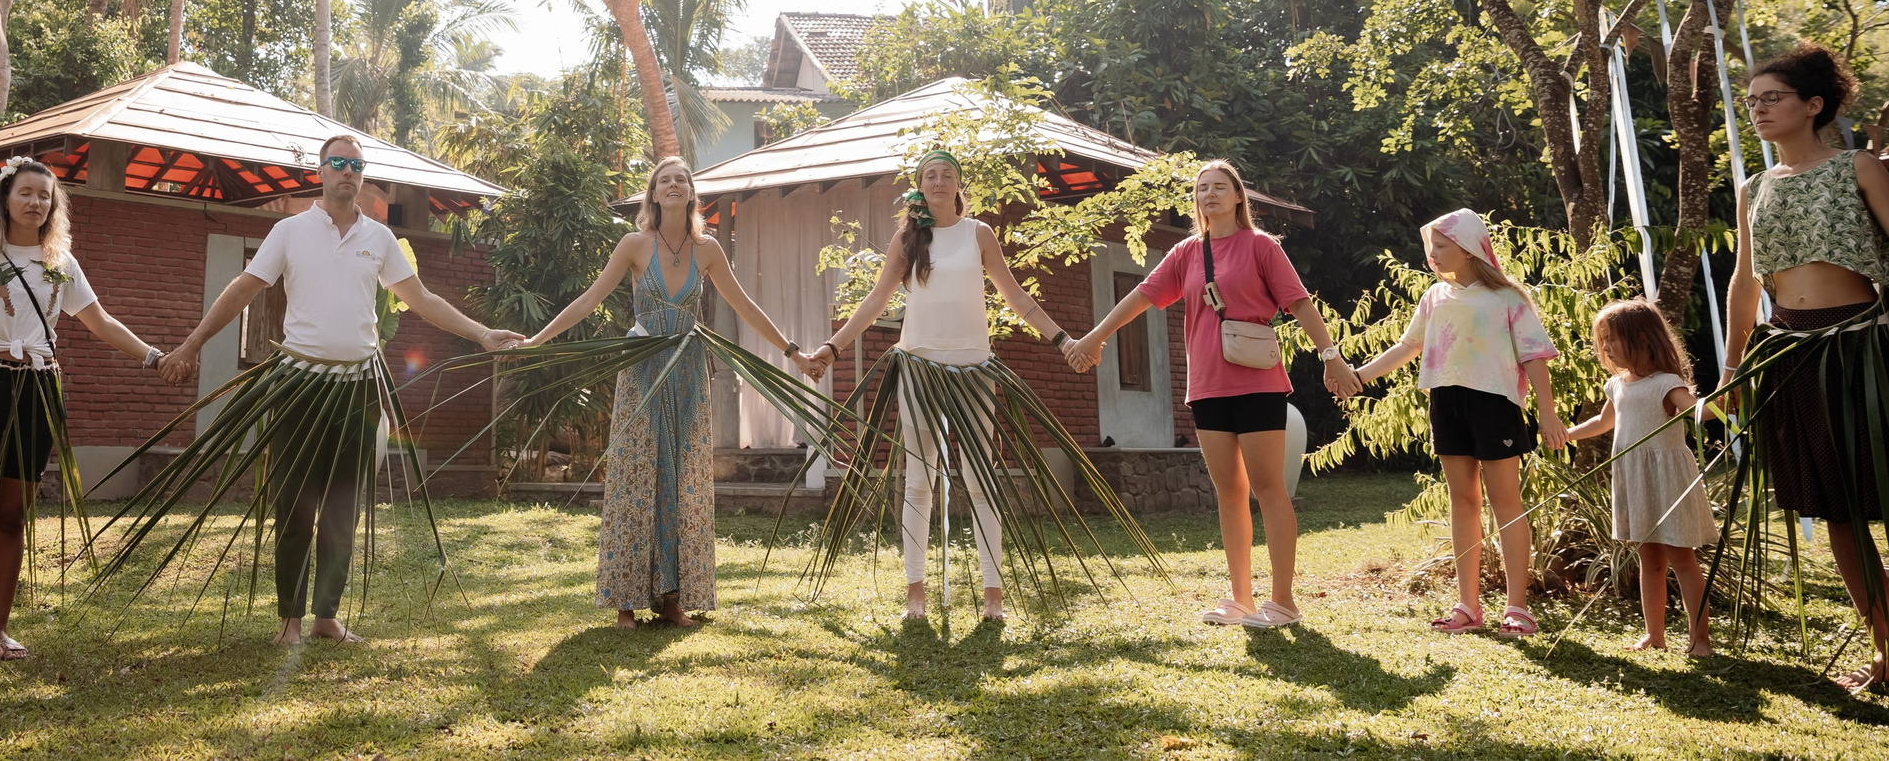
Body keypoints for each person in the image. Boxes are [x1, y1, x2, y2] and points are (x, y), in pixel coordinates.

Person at [156, 133, 522, 644]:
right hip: (299, 384)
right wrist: (192, 344)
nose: (347, 171)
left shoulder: (381, 239)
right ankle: (289, 620)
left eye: (355, 164)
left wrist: (483, 334)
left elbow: (420, 298)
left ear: (362, 174)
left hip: (360, 388)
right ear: (321, 171)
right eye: (338, 163)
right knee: (294, 502)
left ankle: (326, 618)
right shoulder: (289, 231)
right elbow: (243, 288)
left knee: (343, 504)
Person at [0, 155, 180, 660]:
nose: (35, 202)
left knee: (11, 518)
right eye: (25, 192)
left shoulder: (61, 263)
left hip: (39, 392)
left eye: (44, 196)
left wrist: (153, 356)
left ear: (54, 206)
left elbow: (101, 322)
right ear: (5, 198)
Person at [1063, 159, 1358, 628]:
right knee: (1229, 491)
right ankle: (1240, 599)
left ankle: (1282, 602)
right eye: (1202, 189)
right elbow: (1141, 296)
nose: (1210, 195)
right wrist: (1096, 336)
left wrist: (1330, 355)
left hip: (1257, 383)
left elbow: (1298, 301)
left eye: (1220, 187)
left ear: (1239, 197)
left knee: (1269, 488)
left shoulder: (1261, 246)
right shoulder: (1186, 252)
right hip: (1206, 388)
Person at [523, 154, 814, 628]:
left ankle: (674, 598)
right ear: (653, 194)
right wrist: (537, 341)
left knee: (683, 480)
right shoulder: (634, 244)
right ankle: (625, 601)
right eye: (665, 180)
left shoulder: (709, 250)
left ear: (691, 193)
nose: (674, 185)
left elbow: (745, 306)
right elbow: (590, 299)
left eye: (682, 179)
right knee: (637, 478)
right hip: (642, 372)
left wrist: (794, 351)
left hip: (687, 375)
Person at [805, 148, 1072, 623]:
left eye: (948, 174)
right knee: (918, 479)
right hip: (919, 366)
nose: (940, 181)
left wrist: (1062, 339)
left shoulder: (979, 234)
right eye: (931, 175)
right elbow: (875, 300)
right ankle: (915, 594)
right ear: (920, 187)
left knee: (979, 476)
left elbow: (1014, 296)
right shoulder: (907, 240)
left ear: (958, 186)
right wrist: (833, 346)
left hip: (974, 367)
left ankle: (993, 595)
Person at [1721, 43, 1889, 691]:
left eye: (1770, 98)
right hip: (1791, 357)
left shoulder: (1856, 167)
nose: (1758, 110)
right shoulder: (1753, 189)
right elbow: (1745, 285)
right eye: (1751, 101)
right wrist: (1730, 369)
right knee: (1836, 511)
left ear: (1813, 105)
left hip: (1865, 352)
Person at [1353, 209, 1564, 637]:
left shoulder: (1508, 299)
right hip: (1445, 401)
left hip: (1495, 404)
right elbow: (1406, 347)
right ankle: (1468, 606)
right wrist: (1357, 377)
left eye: (1441, 246)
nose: (1432, 254)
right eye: (1430, 247)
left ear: (1469, 249)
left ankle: (1517, 608)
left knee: (1506, 503)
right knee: (1462, 501)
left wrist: (1547, 412)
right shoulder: (1434, 297)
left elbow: (1535, 357)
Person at [1564, 298, 1715, 658]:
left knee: (1682, 558)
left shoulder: (1666, 382)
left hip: (1666, 479)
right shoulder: (1616, 386)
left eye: (1612, 338)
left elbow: (1697, 410)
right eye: (1603, 340)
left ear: (1644, 338)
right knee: (1650, 560)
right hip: (1634, 477)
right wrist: (1566, 434)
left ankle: (1701, 639)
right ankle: (1655, 635)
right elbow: (1603, 423)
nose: (1605, 347)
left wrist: (1726, 399)